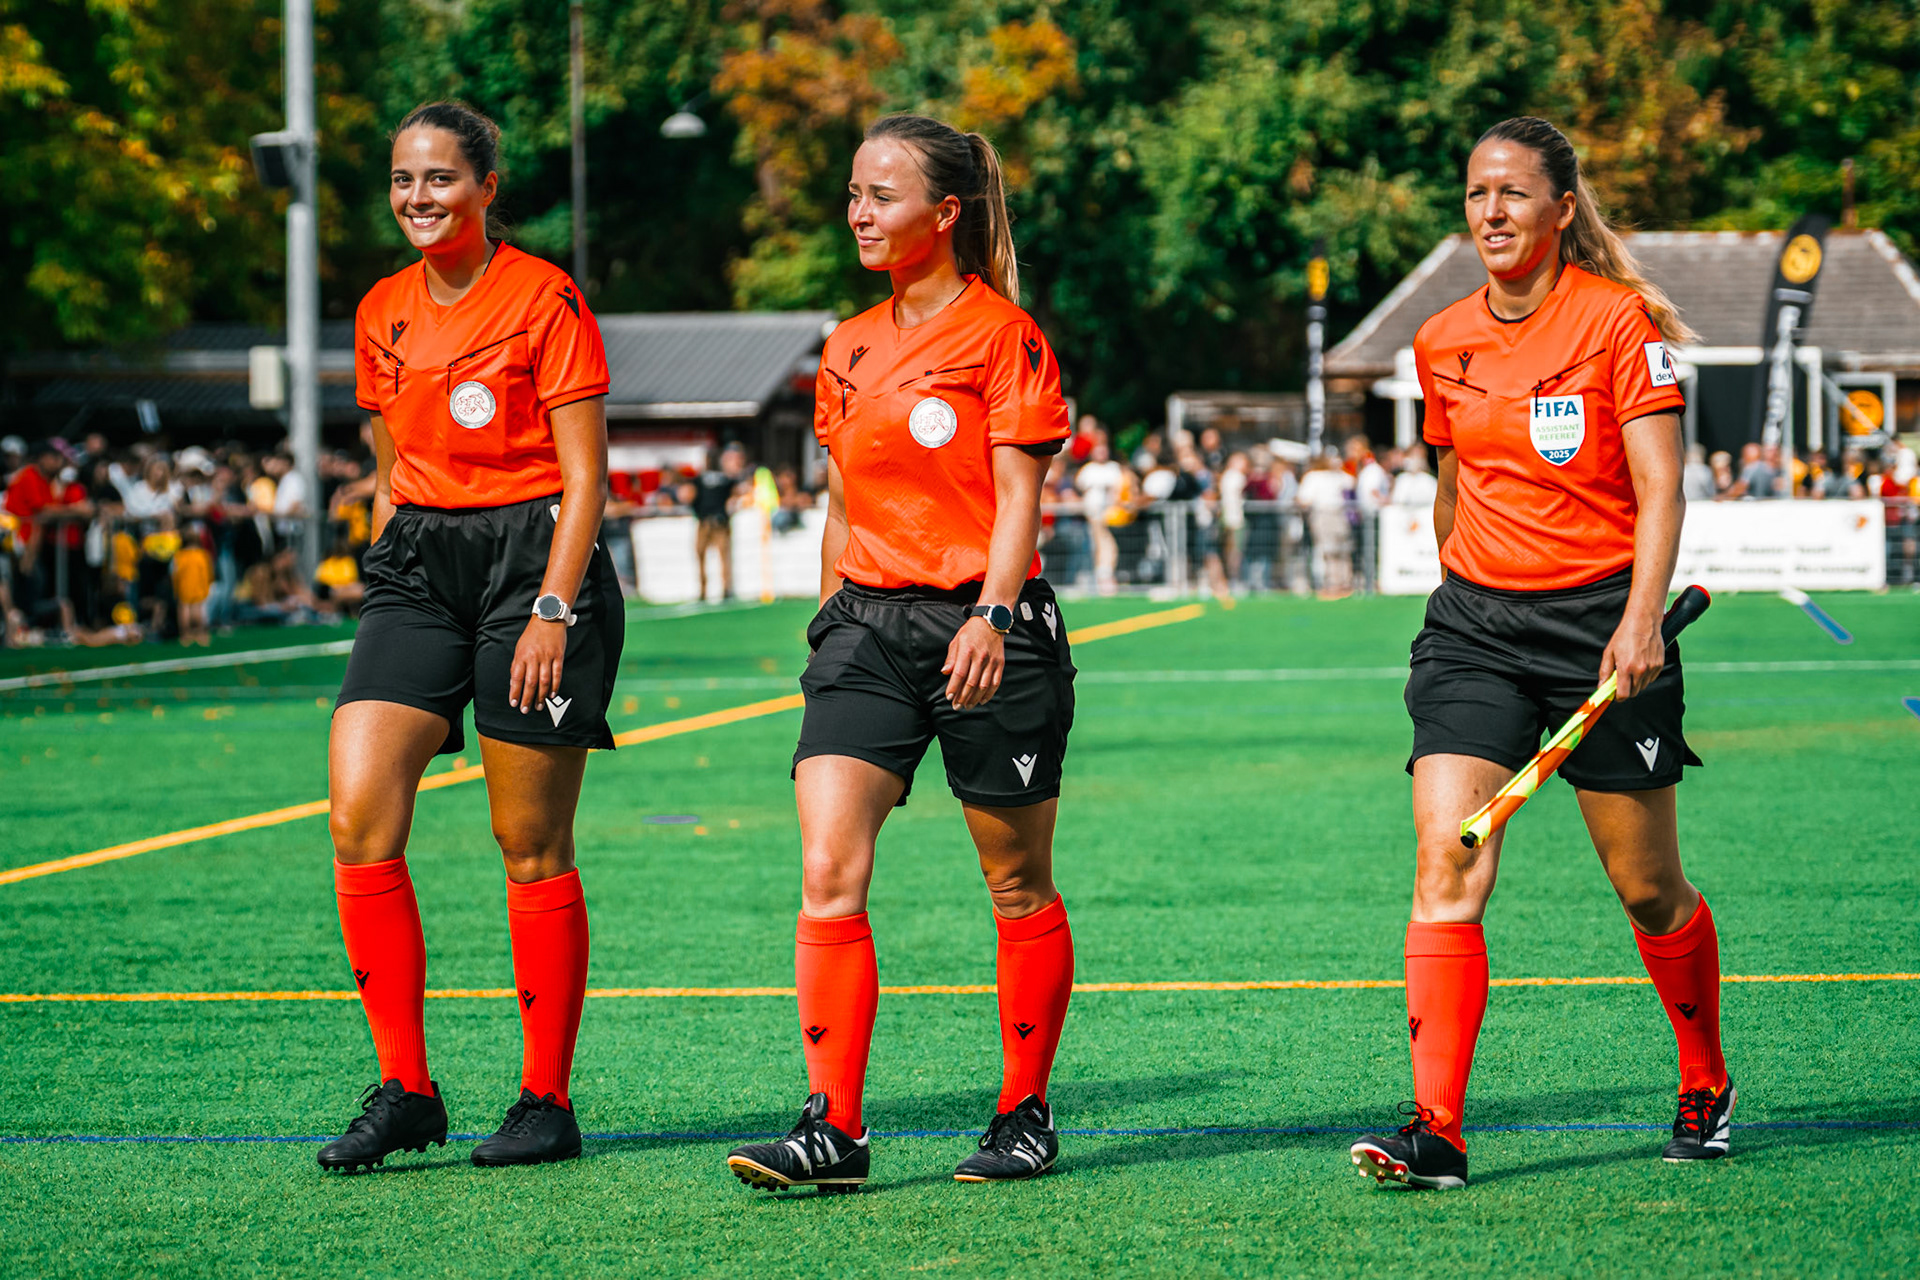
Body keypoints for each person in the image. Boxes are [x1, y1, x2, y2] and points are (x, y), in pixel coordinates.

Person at [1349, 117, 1731, 1192]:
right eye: (1478, 193)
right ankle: (1436, 1129)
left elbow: (1662, 484)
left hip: (1601, 626)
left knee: (1647, 887)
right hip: (1475, 631)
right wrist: (1459, 595)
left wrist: (1640, 618)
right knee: (1447, 858)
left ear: (1563, 209)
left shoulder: (1617, 322)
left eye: (1514, 192)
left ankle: (1704, 1078)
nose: (1493, 211)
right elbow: (1451, 486)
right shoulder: (1442, 338)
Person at [725, 112, 1076, 1195]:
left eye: (882, 196)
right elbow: (843, 502)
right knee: (827, 868)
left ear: (945, 212)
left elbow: (1019, 500)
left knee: (1015, 883)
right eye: (853, 194)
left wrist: (993, 617)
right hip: (866, 632)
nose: (860, 214)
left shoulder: (1003, 336)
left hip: (988, 630)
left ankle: (1023, 1113)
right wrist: (828, 620)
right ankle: (833, 1126)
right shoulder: (845, 345)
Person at [318, 100, 622, 1175]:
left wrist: (552, 607)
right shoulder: (380, 309)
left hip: (533, 561)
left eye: (441, 177)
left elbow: (587, 476)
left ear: (487, 188)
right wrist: (385, 561)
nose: (419, 197)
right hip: (418, 565)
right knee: (358, 816)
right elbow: (390, 461)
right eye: (404, 179)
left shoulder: (546, 296)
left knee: (527, 842)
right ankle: (405, 1088)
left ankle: (546, 1101)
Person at [691, 443, 745, 601]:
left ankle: (725, 588)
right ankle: (705, 590)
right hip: (707, 522)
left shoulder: (724, 479)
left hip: (716, 522)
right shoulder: (706, 479)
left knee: (722, 556)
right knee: (703, 555)